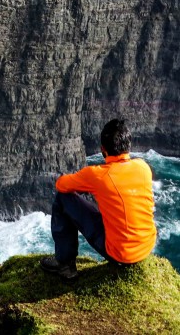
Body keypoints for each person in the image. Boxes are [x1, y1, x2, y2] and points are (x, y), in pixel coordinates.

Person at [41, 118, 156, 280]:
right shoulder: (143, 167)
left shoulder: (97, 175)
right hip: (146, 247)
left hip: (121, 254)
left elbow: (61, 185)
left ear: (103, 149)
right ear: (128, 146)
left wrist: (85, 185)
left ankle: (65, 265)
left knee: (63, 198)